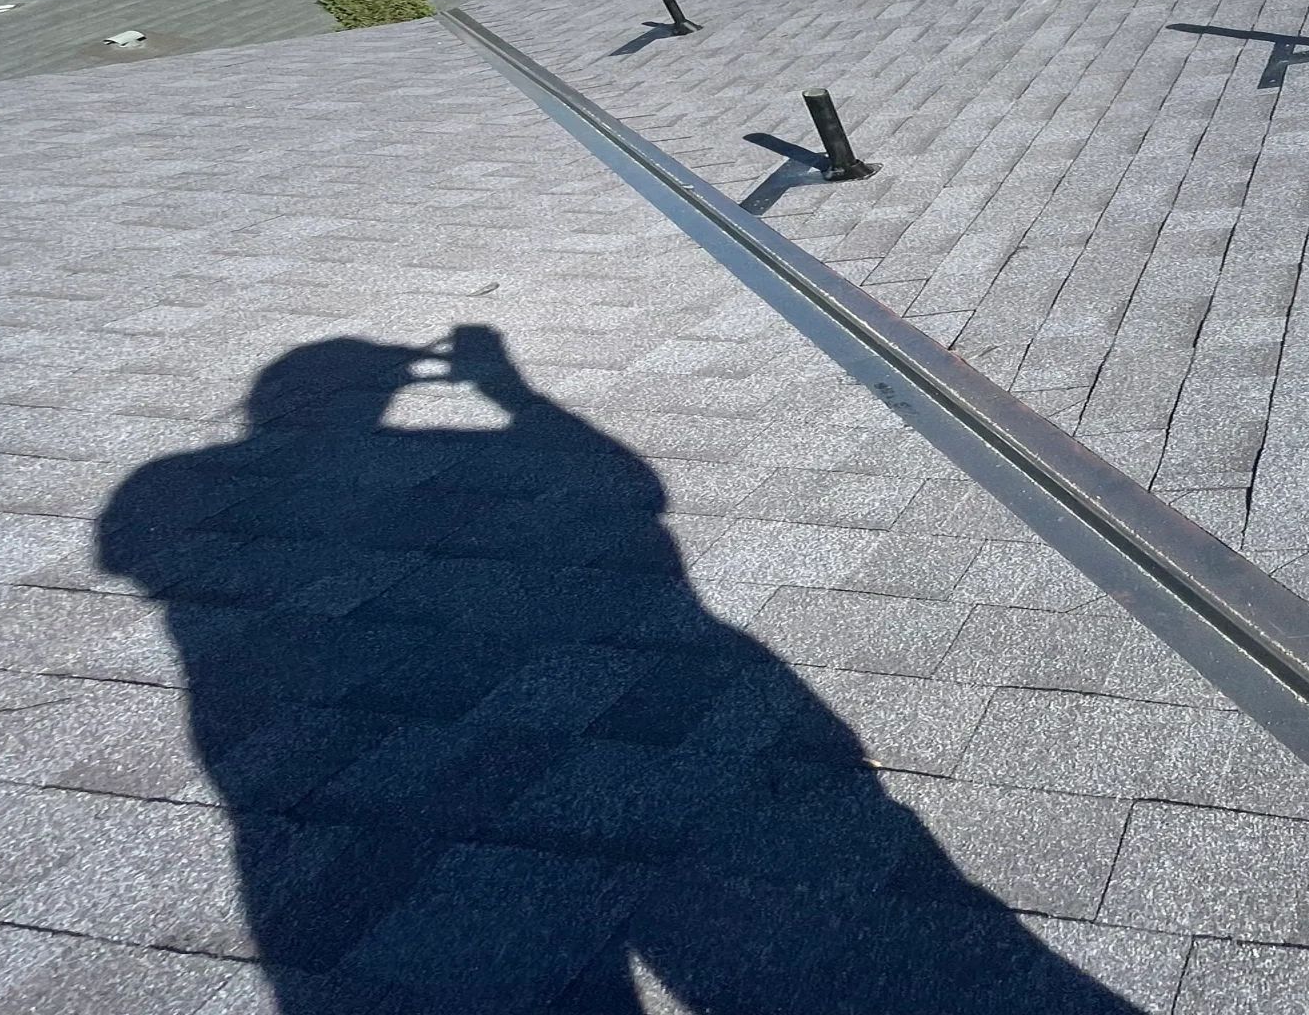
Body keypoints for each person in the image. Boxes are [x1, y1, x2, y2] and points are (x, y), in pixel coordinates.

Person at [99, 325, 1131, 1014]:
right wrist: (505, 390)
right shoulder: (499, 458)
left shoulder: (169, 486)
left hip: (295, 774)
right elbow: (622, 484)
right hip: (692, 699)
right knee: (914, 932)